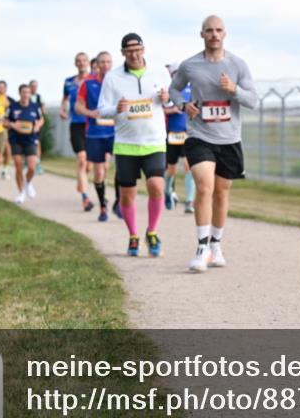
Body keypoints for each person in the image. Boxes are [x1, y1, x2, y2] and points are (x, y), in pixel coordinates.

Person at [169, 15, 257, 272]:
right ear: (202, 34)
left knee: (221, 192)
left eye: (218, 30)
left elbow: (252, 100)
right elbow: (174, 89)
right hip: (199, 135)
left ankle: (216, 244)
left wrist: (233, 89)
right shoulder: (190, 65)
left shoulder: (238, 65)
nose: (214, 34)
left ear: (224, 34)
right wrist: (183, 105)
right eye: (209, 30)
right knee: (204, 187)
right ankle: (202, 248)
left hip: (229, 138)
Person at [97, 33, 170, 256]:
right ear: (122, 53)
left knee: (156, 186)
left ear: (143, 50)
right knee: (127, 194)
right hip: (126, 144)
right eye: (129, 51)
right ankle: (133, 235)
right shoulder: (112, 77)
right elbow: (102, 110)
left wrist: (167, 99)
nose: (134, 55)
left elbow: (173, 100)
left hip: (154, 142)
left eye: (137, 50)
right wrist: (116, 109)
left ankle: (152, 231)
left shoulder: (159, 72)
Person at [76, 51, 120, 222]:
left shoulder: (118, 82)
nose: (106, 65)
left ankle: (118, 202)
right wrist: (91, 113)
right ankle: (103, 206)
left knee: (122, 168)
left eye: (109, 62)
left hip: (116, 132)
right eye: (102, 62)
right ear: (97, 65)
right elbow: (78, 107)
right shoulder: (88, 83)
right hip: (95, 133)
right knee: (99, 171)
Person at [62, 52, 94, 212]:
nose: (81, 63)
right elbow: (65, 99)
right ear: (75, 64)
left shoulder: (94, 80)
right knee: (82, 159)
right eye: (78, 61)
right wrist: (63, 110)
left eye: (83, 60)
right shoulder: (69, 82)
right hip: (76, 125)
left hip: (91, 125)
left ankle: (81, 182)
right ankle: (85, 198)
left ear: (88, 63)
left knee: (89, 166)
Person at [164, 62, 196, 214]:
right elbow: (159, 109)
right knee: (172, 169)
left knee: (189, 165)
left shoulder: (192, 89)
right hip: (171, 133)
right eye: (175, 73)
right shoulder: (168, 90)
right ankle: (168, 191)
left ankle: (189, 201)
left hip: (187, 133)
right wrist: (172, 110)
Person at [6, 83, 44, 204]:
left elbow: (41, 119)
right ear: (19, 93)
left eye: (28, 92)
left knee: (32, 167)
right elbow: (4, 121)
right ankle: (21, 192)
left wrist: (38, 125)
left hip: (31, 139)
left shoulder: (35, 106)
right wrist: (13, 125)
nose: (26, 95)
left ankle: (28, 183)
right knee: (18, 166)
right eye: (24, 92)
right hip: (16, 140)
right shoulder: (13, 106)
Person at [0, 80, 14, 179]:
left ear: (6, 88)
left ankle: (4, 170)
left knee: (8, 150)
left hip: (7, 128)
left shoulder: (11, 101)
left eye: (2, 87)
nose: (0, 89)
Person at [29, 79, 46, 175]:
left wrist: (39, 120)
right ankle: (27, 163)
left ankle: (37, 163)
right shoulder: (26, 96)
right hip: (26, 123)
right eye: (32, 86)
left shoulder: (39, 97)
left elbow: (43, 111)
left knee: (37, 143)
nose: (34, 88)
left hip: (36, 123)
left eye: (35, 86)